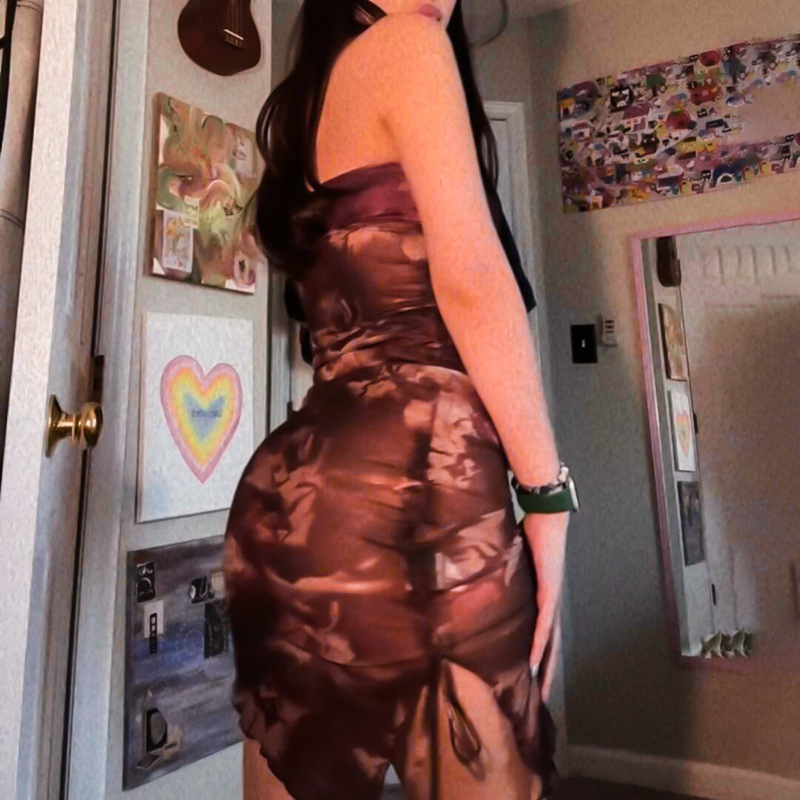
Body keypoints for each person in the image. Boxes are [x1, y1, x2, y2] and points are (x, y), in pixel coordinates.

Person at [222, 2, 578, 798]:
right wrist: (547, 496)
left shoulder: (314, 104)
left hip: (294, 512)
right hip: (427, 505)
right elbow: (473, 284)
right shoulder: (410, 48)